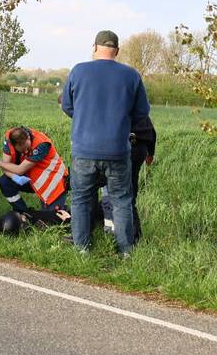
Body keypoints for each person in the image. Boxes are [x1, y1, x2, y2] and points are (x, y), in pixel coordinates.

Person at [61, 30, 150, 258]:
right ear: (117, 51)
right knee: (121, 200)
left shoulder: (79, 71)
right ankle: (125, 251)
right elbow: (142, 113)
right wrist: (120, 123)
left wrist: (85, 119)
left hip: (83, 149)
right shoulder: (131, 76)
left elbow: (67, 106)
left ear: (94, 47)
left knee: (80, 199)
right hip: (118, 150)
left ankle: (81, 249)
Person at [0, 126, 69, 214]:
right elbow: (6, 166)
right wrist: (14, 177)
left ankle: (65, 210)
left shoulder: (41, 144)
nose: (26, 152)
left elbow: (20, 170)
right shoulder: (9, 140)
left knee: (52, 219)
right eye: (22, 150)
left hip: (53, 181)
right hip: (31, 179)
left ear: (28, 137)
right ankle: (23, 212)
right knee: (4, 181)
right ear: (14, 145)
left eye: (27, 148)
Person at [99, 113, 156, 245]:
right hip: (140, 148)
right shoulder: (137, 105)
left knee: (111, 193)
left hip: (122, 148)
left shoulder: (116, 103)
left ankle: (114, 235)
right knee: (129, 194)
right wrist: (151, 153)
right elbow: (152, 130)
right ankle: (134, 237)